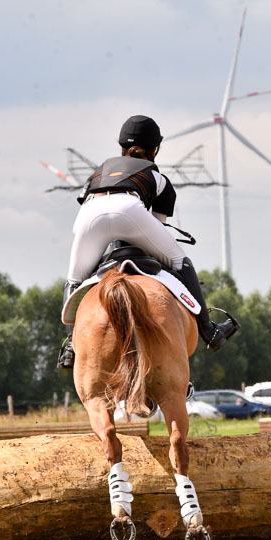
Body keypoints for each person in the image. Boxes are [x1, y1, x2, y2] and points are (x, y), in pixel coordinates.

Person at [58, 115, 239, 368]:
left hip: (89, 215)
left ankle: (69, 347)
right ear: (155, 149)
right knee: (179, 260)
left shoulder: (97, 173)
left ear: (120, 145)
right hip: (130, 210)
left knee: (74, 280)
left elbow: (93, 206)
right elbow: (155, 230)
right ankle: (210, 331)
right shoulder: (157, 178)